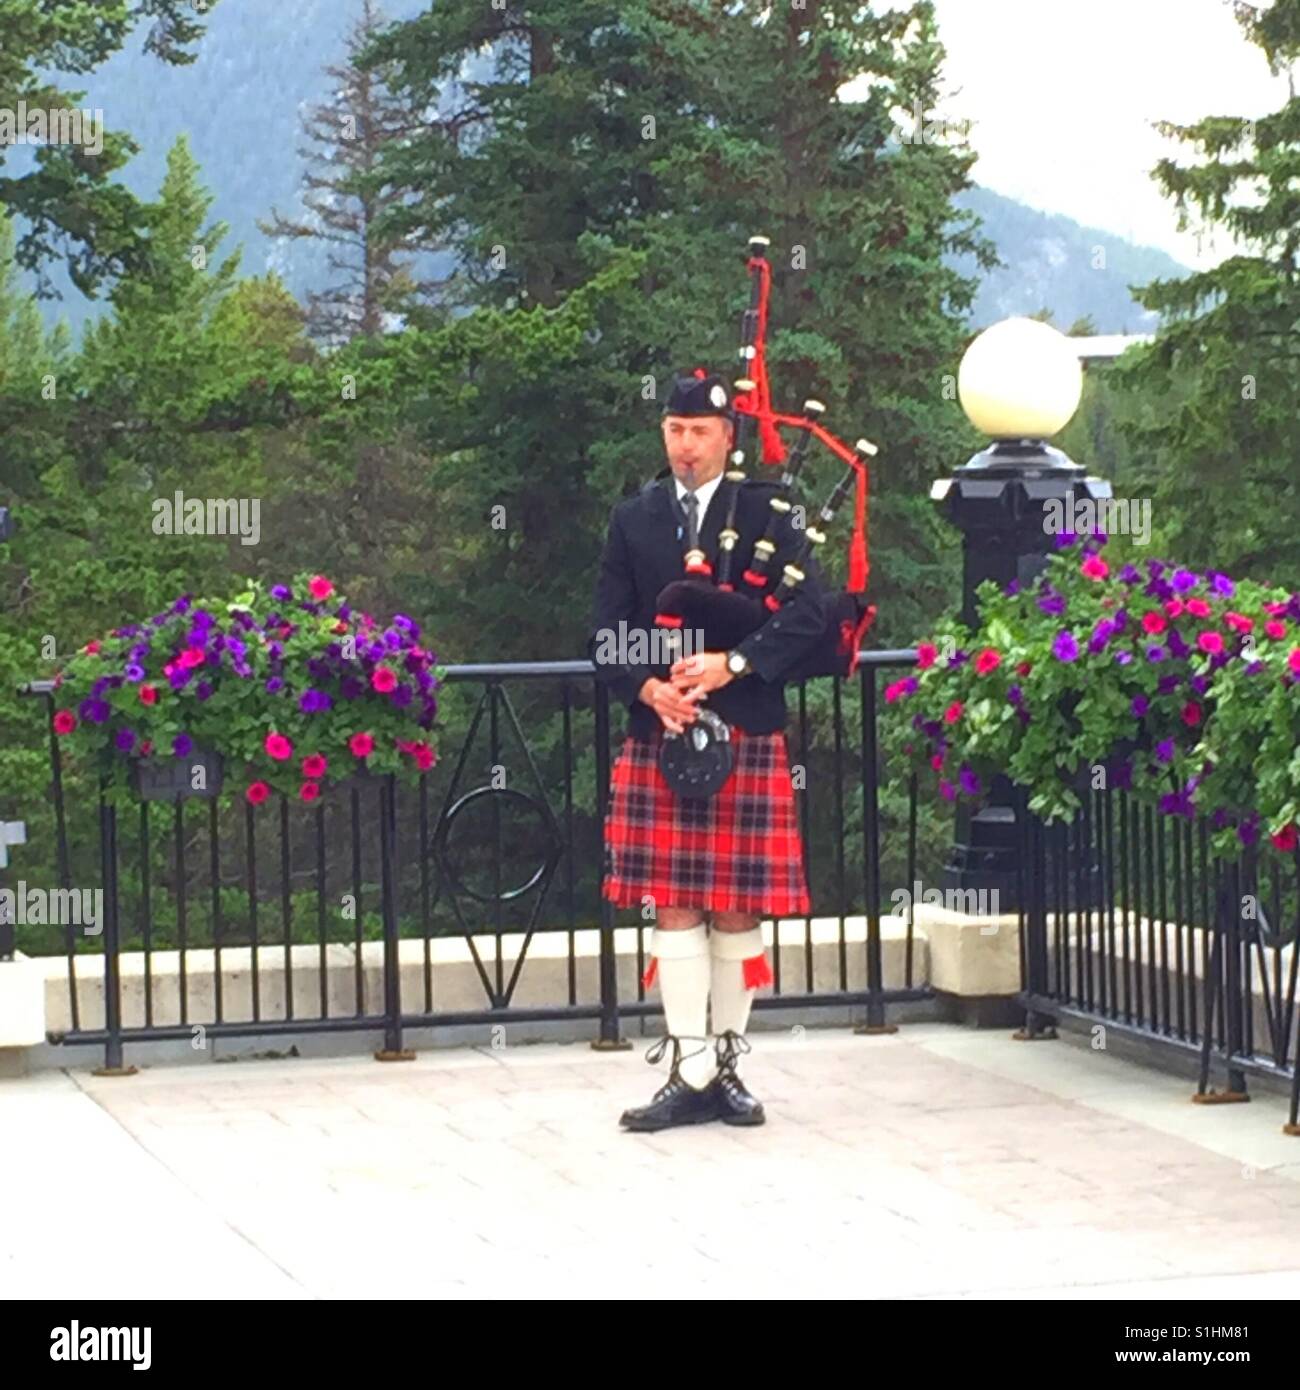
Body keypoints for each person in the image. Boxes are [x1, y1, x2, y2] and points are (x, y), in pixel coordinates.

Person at [587, 367, 826, 1132]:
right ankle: (688, 1070)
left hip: (746, 726)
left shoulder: (770, 511)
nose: (685, 446)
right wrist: (648, 689)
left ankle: (726, 1066)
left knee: (734, 905)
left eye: (699, 433)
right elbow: (607, 631)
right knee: (679, 901)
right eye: (674, 431)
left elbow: (813, 614)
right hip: (663, 734)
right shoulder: (636, 519)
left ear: (728, 436)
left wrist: (735, 662)